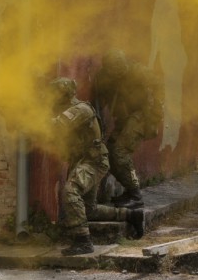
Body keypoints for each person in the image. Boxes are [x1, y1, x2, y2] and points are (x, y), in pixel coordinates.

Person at [48, 77, 146, 256]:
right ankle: (132, 215)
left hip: (94, 161)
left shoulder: (79, 110)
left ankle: (83, 241)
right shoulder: (69, 109)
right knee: (88, 210)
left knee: (71, 191)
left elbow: (56, 126)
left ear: (63, 95)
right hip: (84, 161)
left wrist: (30, 118)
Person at [93, 49, 163, 209]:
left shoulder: (138, 71)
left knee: (119, 152)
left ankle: (135, 195)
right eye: (114, 70)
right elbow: (101, 99)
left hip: (141, 116)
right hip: (124, 118)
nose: (118, 73)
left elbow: (159, 86)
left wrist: (155, 114)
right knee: (109, 152)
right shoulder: (106, 76)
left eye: (120, 68)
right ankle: (129, 191)